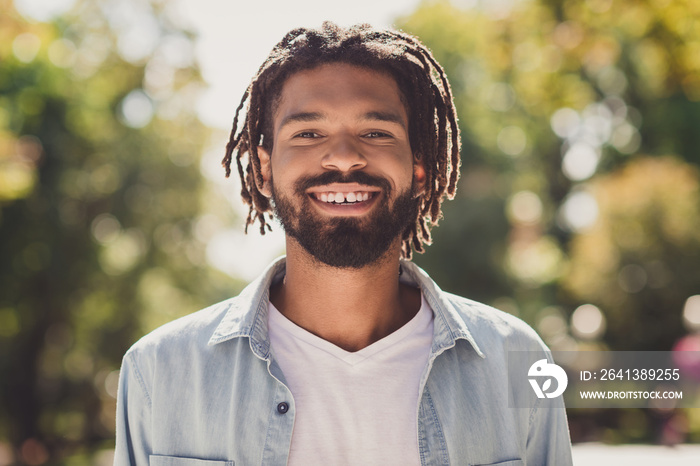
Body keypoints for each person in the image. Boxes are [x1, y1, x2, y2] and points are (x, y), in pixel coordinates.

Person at [115, 22, 573, 465]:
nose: (344, 157)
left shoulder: (519, 364)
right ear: (263, 168)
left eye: (375, 133)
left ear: (419, 167)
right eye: (308, 133)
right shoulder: (159, 372)